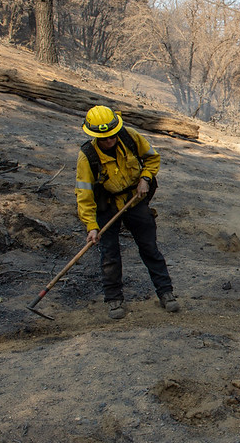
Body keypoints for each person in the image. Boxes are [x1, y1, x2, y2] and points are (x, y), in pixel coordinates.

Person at [75, 105, 178, 319]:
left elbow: (152, 158)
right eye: (104, 138)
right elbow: (84, 196)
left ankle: (166, 293)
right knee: (109, 254)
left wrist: (145, 179)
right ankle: (114, 300)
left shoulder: (130, 137)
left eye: (112, 135)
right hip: (107, 206)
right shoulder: (87, 157)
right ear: (95, 136)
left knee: (150, 247)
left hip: (134, 200)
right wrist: (92, 226)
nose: (110, 140)